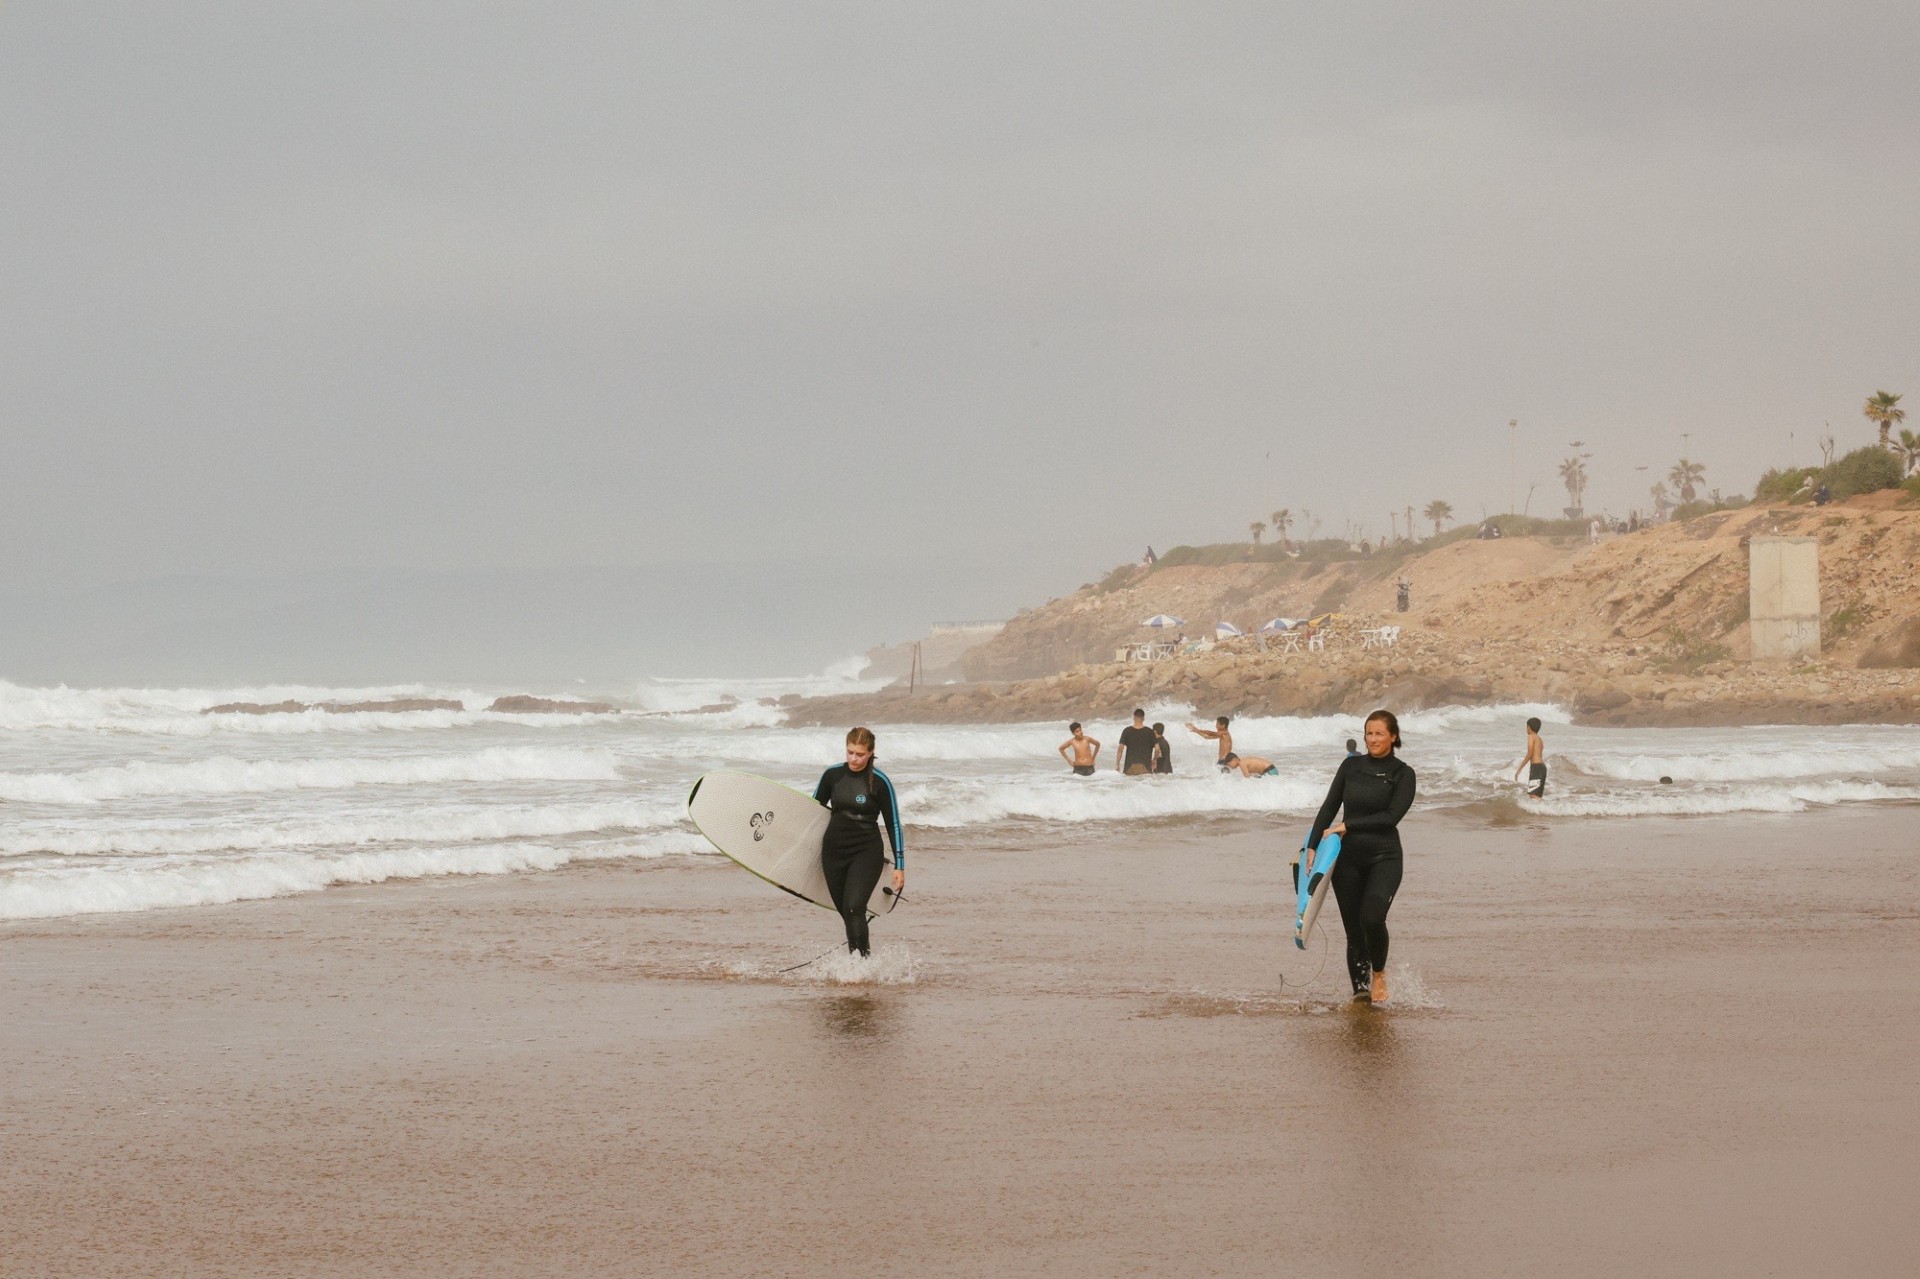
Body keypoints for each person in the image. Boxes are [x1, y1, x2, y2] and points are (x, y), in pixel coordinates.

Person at [1305, 709, 1416, 1005]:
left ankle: (1378, 972)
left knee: (1372, 918)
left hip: (1385, 857)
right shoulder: (1350, 767)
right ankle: (1361, 995)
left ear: (1394, 736)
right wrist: (1312, 846)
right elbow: (1329, 807)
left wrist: (1347, 825)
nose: (1373, 739)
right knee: (1354, 931)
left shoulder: (1403, 774)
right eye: (1369, 733)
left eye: (1380, 733)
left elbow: (1391, 817)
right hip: (1348, 859)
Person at [812, 727, 904, 958]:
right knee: (848, 912)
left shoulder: (880, 782)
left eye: (860, 754)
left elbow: (893, 823)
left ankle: (859, 966)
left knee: (854, 907)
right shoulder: (832, 776)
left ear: (871, 753)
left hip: (865, 851)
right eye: (850, 752)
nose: (854, 758)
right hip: (833, 852)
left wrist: (900, 865)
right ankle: (862, 962)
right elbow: (811, 813)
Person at [1116, 709, 1157, 776]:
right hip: (1145, 769)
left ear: (1134, 717)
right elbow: (1157, 749)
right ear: (1143, 718)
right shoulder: (1150, 732)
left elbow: (1120, 749)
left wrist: (1117, 764)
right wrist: (1154, 759)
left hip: (1130, 769)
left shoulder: (1126, 731)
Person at [1513, 716, 1547, 797]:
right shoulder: (1540, 739)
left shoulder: (1531, 736)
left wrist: (1519, 769)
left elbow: (1530, 754)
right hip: (1542, 768)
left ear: (1528, 727)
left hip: (1536, 768)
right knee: (1537, 796)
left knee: (1533, 795)